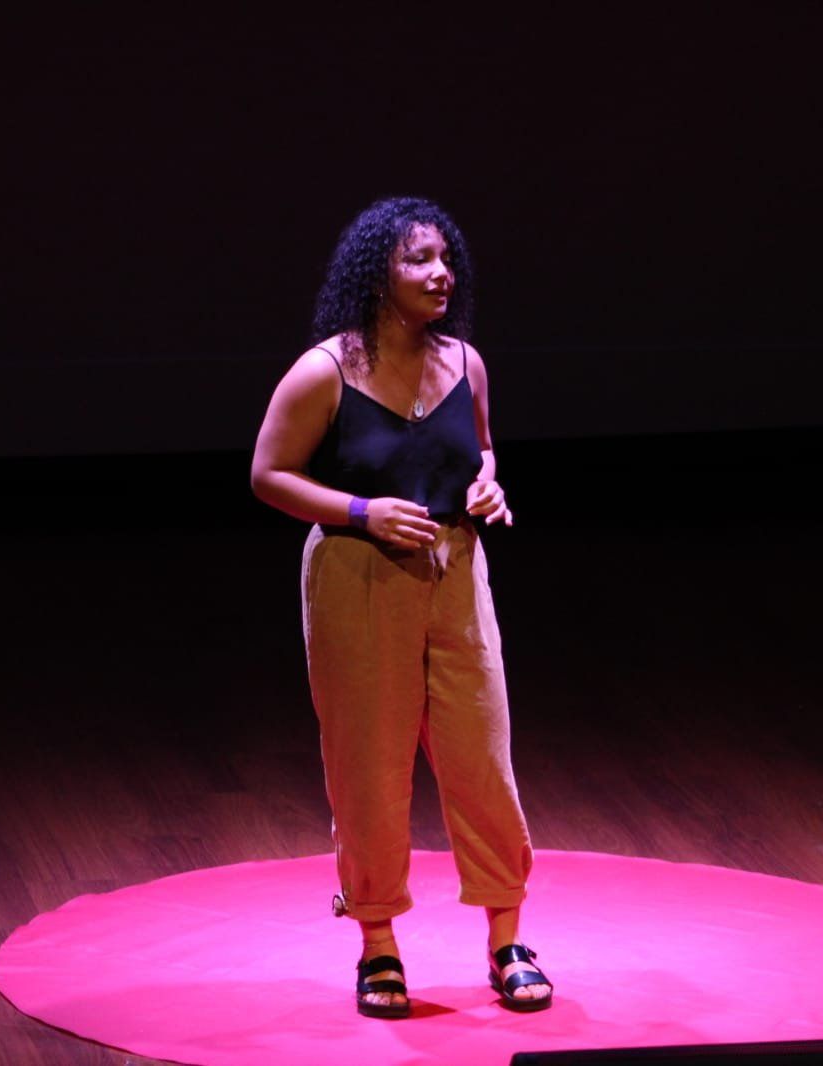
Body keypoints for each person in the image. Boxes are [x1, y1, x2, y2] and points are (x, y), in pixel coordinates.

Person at [250, 197, 553, 1018]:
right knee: (369, 768)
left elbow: (479, 448)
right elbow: (267, 474)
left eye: (444, 257)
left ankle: (506, 939)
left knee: (481, 757)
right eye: (419, 259)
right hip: (357, 578)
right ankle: (377, 943)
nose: (440, 273)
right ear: (376, 275)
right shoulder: (327, 370)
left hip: (457, 573)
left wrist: (487, 483)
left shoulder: (465, 362)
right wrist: (359, 510)